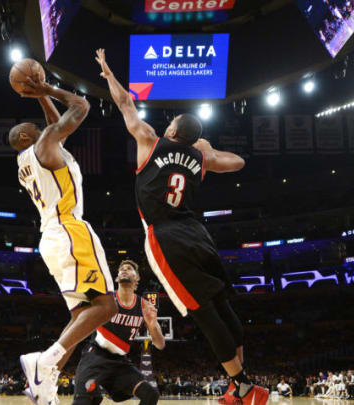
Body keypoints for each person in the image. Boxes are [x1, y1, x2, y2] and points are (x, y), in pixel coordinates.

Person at [94, 49, 265, 405]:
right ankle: (239, 387)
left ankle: (244, 387)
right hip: (199, 235)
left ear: (171, 130)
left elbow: (125, 103)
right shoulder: (201, 157)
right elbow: (238, 163)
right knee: (220, 303)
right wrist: (207, 148)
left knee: (202, 313)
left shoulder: (149, 140)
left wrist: (108, 73)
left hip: (167, 236)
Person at [9, 69, 118, 405]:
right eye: (38, 130)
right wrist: (48, 88)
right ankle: (44, 361)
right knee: (106, 305)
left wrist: (40, 96)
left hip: (52, 238)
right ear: (29, 138)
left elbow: (57, 124)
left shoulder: (31, 157)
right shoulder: (43, 145)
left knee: (79, 317)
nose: (45, 129)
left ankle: (46, 380)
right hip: (70, 229)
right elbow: (81, 106)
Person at [69, 260, 164, 405]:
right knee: (84, 401)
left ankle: (95, 394)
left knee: (151, 395)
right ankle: (94, 395)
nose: (124, 270)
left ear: (137, 277)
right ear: (116, 278)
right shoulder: (106, 299)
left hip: (120, 362)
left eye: (129, 269)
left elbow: (160, 344)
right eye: (121, 269)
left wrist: (152, 324)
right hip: (95, 356)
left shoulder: (144, 305)